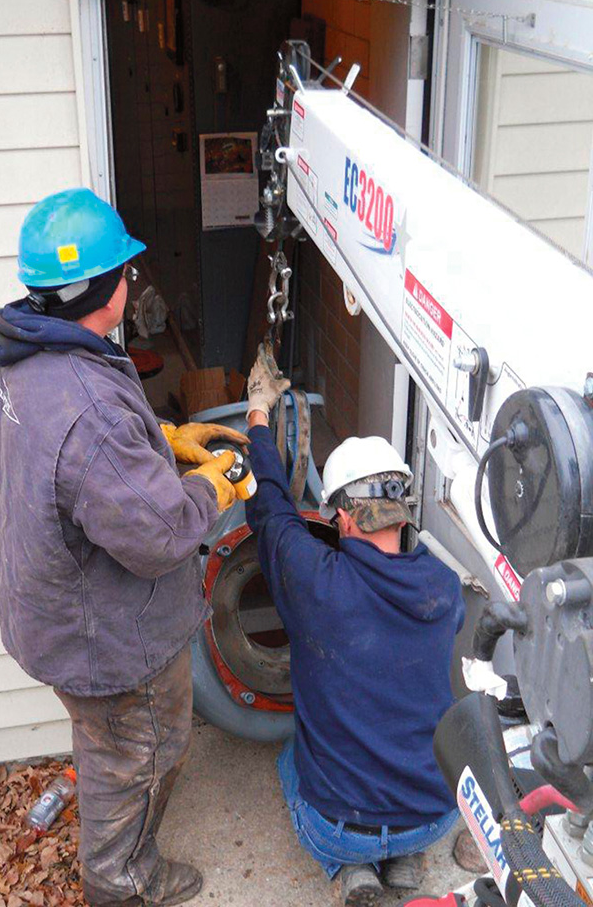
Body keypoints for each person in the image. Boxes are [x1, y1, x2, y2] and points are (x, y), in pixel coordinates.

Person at [0, 188, 249, 907]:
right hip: (104, 641)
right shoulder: (89, 407)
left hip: (52, 610)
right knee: (144, 753)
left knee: (109, 747)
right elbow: (161, 535)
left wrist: (160, 440)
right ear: (102, 289)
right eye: (125, 273)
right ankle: (122, 882)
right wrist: (216, 486)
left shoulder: (25, 355)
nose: (133, 282)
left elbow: (67, 462)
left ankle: (113, 843)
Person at [244, 342, 465, 907]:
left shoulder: (316, 582)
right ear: (402, 510)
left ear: (341, 516)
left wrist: (259, 416)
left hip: (338, 825)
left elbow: (270, 504)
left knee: (291, 759)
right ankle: (405, 859)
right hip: (434, 816)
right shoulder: (444, 589)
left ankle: (349, 868)